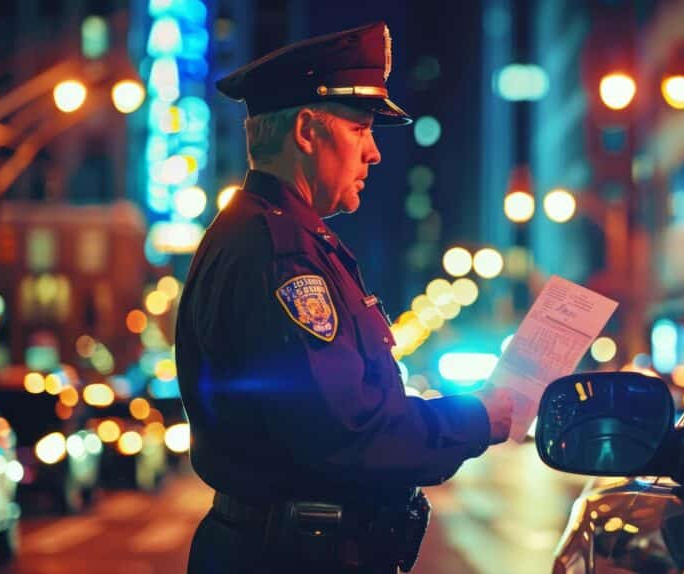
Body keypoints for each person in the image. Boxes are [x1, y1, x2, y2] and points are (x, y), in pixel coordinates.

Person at [175, 22, 513, 573]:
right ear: (308, 130)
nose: (375, 153)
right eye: (360, 128)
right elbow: (347, 432)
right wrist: (474, 419)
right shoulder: (280, 252)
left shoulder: (274, 235)